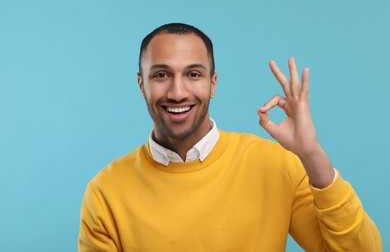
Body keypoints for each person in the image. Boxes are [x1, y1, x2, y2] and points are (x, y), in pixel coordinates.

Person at [78, 23, 382, 251]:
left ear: (213, 84)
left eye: (193, 74)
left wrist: (312, 154)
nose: (178, 92)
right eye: (161, 75)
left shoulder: (276, 165)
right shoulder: (105, 193)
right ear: (141, 84)